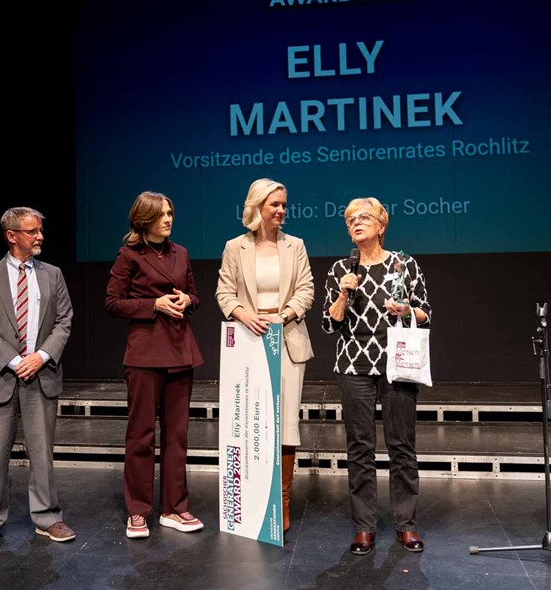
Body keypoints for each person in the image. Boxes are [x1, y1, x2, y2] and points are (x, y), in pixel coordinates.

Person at [321, 197, 431, 556]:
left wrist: (406, 310)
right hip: (354, 365)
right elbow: (329, 324)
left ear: (381, 226)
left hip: (397, 364)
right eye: (350, 219)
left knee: (402, 445)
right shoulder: (341, 269)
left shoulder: (404, 264)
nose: (356, 222)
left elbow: (426, 313)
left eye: (364, 217)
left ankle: (406, 524)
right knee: (360, 447)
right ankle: (364, 527)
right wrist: (343, 293)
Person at [0, 207, 76, 549]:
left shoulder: (53, 274)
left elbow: (64, 321)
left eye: (40, 230)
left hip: (41, 374)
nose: (39, 236)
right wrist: (14, 361)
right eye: (32, 231)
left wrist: (40, 357)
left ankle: (48, 517)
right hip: (0, 376)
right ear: (11, 236)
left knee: (42, 453)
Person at [215, 177, 315, 532]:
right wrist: (245, 316)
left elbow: (306, 290)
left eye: (284, 204)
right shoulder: (235, 247)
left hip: (286, 340)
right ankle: (251, 497)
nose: (281, 210)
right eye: (275, 204)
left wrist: (283, 315)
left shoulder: (295, 246)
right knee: (250, 422)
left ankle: (281, 500)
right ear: (257, 207)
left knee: (285, 424)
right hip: (249, 340)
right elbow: (225, 293)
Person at [105, 191, 204, 539]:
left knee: (177, 435)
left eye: (170, 213)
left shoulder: (181, 253)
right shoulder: (129, 255)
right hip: (145, 354)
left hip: (180, 351)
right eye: (161, 215)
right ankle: (138, 510)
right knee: (141, 435)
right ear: (144, 219)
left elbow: (195, 295)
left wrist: (187, 300)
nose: (168, 219)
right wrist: (153, 305)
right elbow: (113, 302)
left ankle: (175, 508)